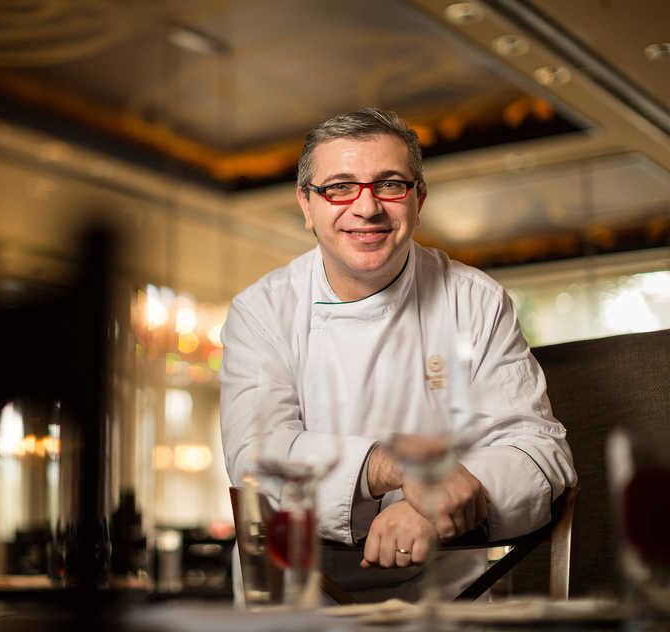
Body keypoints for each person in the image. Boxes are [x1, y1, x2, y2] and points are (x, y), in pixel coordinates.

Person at [219, 108, 577, 602]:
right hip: (300, 596)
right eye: (339, 187)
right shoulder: (261, 310)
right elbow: (258, 459)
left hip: (453, 591)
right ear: (306, 204)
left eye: (389, 184)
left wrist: (431, 508)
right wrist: (401, 470)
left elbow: (541, 453)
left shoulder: (474, 300)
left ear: (418, 198)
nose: (366, 208)